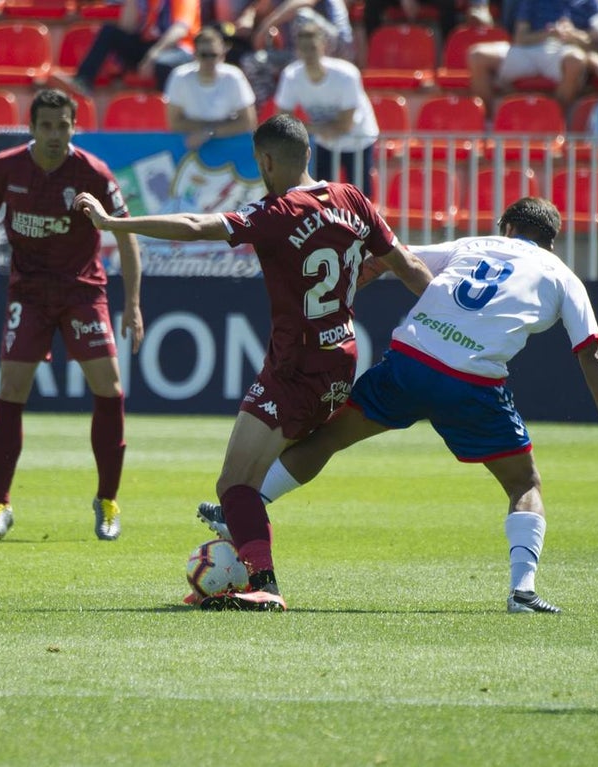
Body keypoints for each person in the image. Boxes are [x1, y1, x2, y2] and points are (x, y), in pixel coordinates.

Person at [197, 196, 598, 613]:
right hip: (471, 386)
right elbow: (591, 354)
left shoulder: (476, 244)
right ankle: (523, 592)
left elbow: (389, 258)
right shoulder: (563, 277)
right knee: (523, 483)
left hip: (409, 364)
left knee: (329, 438)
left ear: (508, 227)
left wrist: (345, 299)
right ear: (551, 242)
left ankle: (246, 508)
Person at [74, 113, 435, 610]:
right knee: (268, 472)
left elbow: (196, 225)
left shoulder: (277, 212)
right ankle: (251, 562)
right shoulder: (353, 199)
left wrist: (113, 223)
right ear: (308, 154)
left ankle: (264, 584)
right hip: (342, 360)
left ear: (264, 161)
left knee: (234, 483)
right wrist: (450, 327)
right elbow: (409, 266)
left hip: (296, 366)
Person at [0, 89, 145, 543]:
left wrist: (133, 303)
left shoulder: (93, 173)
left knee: (109, 387)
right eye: (46, 126)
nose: (54, 134)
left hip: (81, 292)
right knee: (11, 388)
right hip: (28, 293)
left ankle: (107, 500)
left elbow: (126, 235)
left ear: (73, 127)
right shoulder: (5, 168)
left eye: (62, 126)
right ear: (31, 128)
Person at [273, 18, 378, 197]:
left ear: (323, 46)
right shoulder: (291, 76)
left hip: (358, 139)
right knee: (320, 196)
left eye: (312, 48)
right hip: (324, 141)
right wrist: (321, 129)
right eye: (303, 48)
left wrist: (307, 128)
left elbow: (345, 125)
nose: (308, 54)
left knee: (359, 197)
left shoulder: (346, 75)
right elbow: (283, 121)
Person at [467, 0, 598, 111]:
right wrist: (549, 33)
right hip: (530, 47)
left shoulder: (591, 2)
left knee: (576, 61)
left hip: (567, 49)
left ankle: (555, 118)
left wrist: (573, 35)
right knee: (477, 56)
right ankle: (491, 121)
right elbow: (520, 37)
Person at [219, 0, 354, 106]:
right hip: (296, 56)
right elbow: (260, 7)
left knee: (302, 15)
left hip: (336, 50)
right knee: (252, 62)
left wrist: (265, 27)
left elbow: (301, 3)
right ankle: (269, 113)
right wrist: (249, 16)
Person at [57, 0, 201, 94]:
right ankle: (83, 81)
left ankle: (167, 110)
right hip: (150, 46)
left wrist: (153, 54)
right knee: (109, 32)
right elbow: (127, 27)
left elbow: (180, 30)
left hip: (179, 49)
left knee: (162, 64)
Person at [165, 27, 258, 151]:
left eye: (213, 55)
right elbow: (175, 123)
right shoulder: (180, 77)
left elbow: (248, 122)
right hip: (190, 146)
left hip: (229, 146)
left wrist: (208, 133)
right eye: (204, 55)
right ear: (195, 55)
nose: (209, 61)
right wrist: (217, 128)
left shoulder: (234, 77)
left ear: (222, 55)